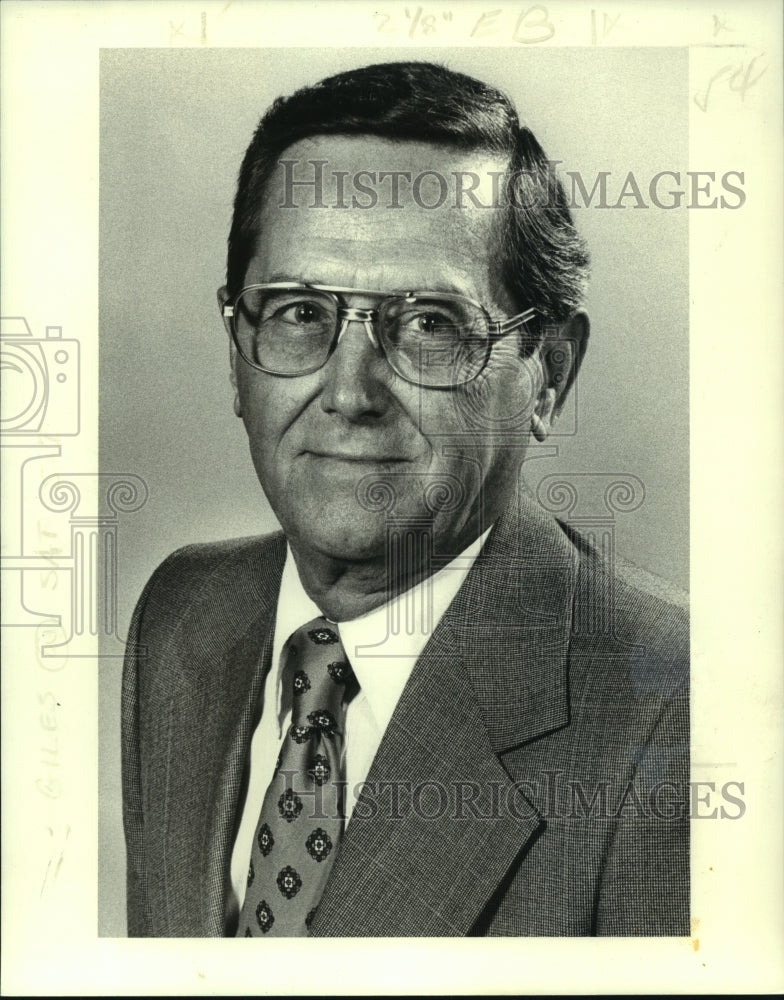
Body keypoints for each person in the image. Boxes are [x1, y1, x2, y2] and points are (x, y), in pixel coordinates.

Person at [122, 60, 688, 938]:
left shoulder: (679, 717)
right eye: (301, 310)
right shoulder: (182, 616)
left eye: (429, 323)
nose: (349, 392)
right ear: (237, 347)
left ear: (549, 377)